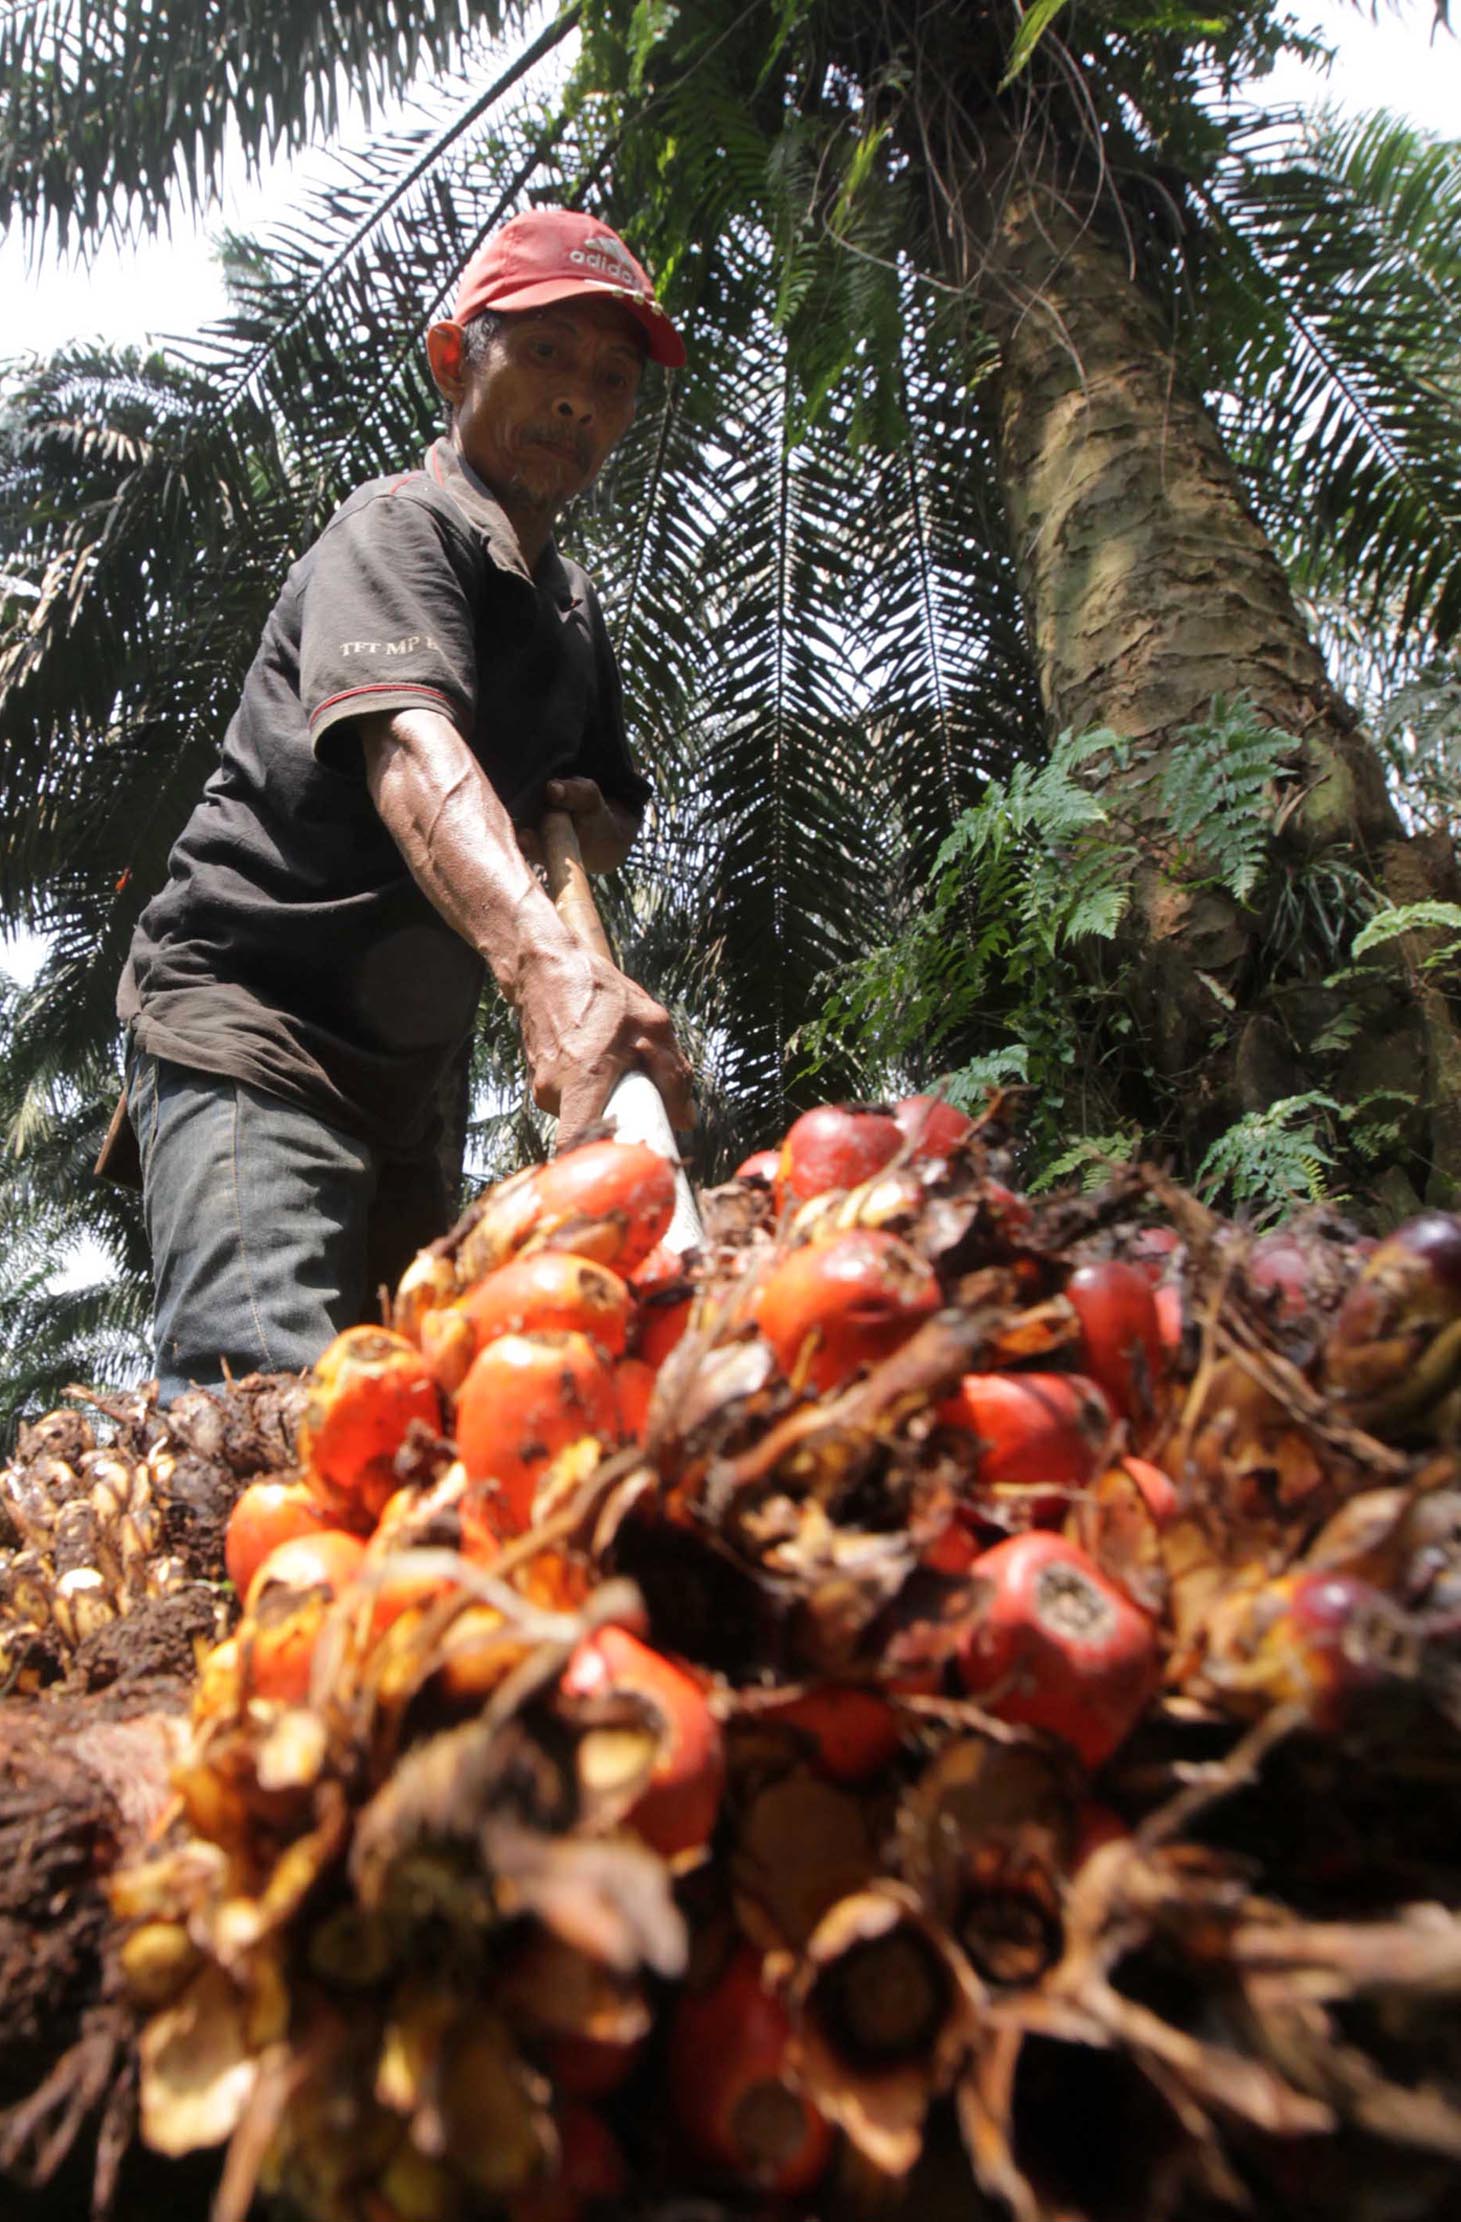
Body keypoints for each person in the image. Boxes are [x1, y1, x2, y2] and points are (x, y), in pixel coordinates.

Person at [116, 207, 695, 1404]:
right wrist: (550, 977)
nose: (579, 399)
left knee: (408, 1419)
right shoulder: (398, 528)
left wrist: (589, 827)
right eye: (544, 354)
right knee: (262, 1407)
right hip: (254, 1027)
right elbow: (413, 754)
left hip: (406, 1081)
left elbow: (598, 813)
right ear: (454, 361)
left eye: (612, 377)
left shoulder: (572, 610)